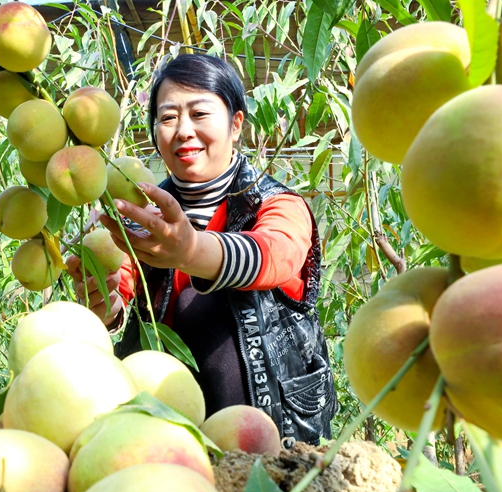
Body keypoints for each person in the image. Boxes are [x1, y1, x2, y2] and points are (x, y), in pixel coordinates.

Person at [66, 54, 337, 446]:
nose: (183, 131)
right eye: (168, 117)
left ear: (236, 124)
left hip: (270, 441)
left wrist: (190, 251)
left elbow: (273, 255)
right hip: (165, 439)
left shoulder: (276, 204)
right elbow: (120, 291)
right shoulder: (143, 219)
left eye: (200, 113)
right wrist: (101, 304)